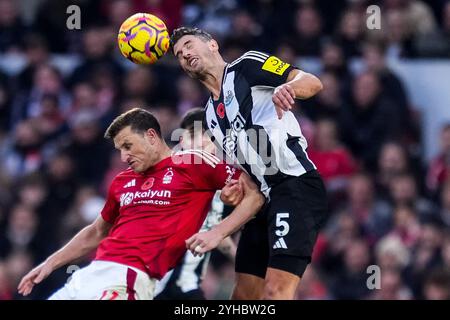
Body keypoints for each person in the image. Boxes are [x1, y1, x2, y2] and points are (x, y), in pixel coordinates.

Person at [17, 107, 264, 300]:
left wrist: (218, 233)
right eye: (119, 150)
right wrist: (50, 264)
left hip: (129, 278)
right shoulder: (122, 181)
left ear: (151, 136)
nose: (123, 157)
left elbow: (255, 193)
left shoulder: (192, 163)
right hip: (86, 276)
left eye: (128, 146)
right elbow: (96, 231)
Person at [171, 27, 328, 299]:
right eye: (179, 54)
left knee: (276, 291)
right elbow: (250, 180)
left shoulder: (247, 66)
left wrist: (288, 87)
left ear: (212, 45)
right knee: (244, 296)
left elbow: (312, 81)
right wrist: (234, 194)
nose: (184, 53)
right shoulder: (210, 116)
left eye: (188, 44)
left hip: (295, 186)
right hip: (264, 199)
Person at [154, 108, 237, 300]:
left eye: (208, 136)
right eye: (193, 136)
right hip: (156, 283)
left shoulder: (221, 180)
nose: (202, 141)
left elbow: (214, 228)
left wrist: (241, 261)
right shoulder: (167, 174)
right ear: (182, 141)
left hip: (188, 286)